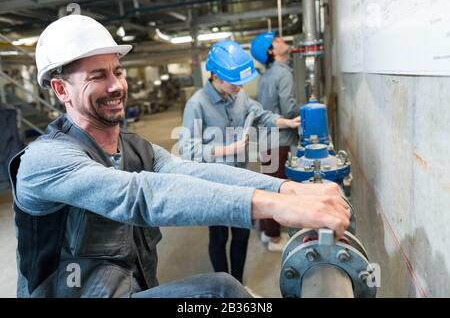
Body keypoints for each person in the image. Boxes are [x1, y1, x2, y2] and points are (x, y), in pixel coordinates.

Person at [8, 15, 350, 298]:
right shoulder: (45, 161)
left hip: (131, 287)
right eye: (97, 76)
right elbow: (138, 195)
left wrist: (286, 191)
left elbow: (192, 172)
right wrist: (274, 207)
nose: (116, 86)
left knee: (224, 289)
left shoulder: (135, 148)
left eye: (118, 71)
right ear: (60, 89)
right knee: (220, 292)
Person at [179, 40, 300, 284]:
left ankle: (238, 284)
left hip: (240, 179)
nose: (240, 86)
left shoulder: (240, 95)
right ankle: (225, 287)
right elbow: (187, 149)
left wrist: (286, 123)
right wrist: (228, 149)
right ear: (215, 75)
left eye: (242, 82)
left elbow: (261, 115)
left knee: (243, 235)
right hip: (213, 182)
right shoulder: (197, 104)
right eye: (235, 81)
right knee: (219, 236)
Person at [250, 32, 300, 252]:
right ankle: (274, 237)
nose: (281, 40)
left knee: (268, 183)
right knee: (276, 187)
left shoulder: (267, 74)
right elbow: (288, 109)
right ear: (271, 51)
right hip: (279, 139)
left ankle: (265, 230)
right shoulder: (283, 73)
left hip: (266, 139)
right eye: (276, 40)